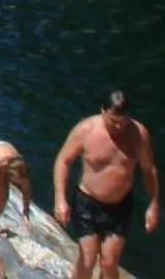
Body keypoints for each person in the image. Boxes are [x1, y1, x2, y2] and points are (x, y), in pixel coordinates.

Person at [54, 89, 158, 278]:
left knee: (110, 262)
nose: (118, 127)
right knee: (88, 257)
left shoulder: (139, 134)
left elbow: (149, 170)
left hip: (120, 205)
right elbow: (63, 160)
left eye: (123, 121)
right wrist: (60, 198)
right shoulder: (85, 130)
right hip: (87, 203)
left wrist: (153, 204)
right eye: (113, 121)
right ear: (102, 111)